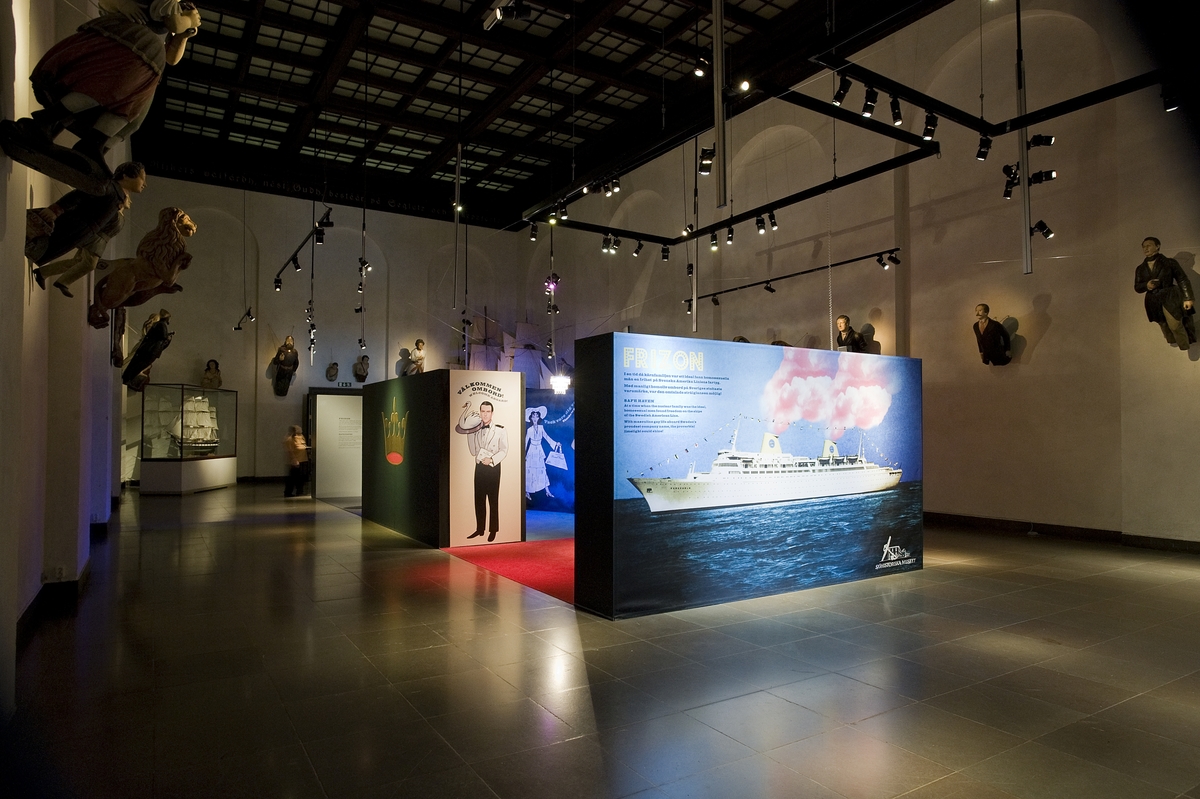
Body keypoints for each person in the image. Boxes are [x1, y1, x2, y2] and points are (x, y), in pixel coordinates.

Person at [0, 1, 201, 193]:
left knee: (131, 115)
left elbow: (171, 58)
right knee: (107, 88)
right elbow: (174, 22)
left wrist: (183, 36)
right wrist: (189, 19)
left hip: (150, 63)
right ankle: (45, 122)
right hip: (133, 42)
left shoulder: (177, 8)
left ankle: (93, 146)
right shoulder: (173, 5)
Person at [29, 162, 147, 297]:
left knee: (74, 259)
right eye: (142, 178)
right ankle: (59, 280)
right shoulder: (109, 188)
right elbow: (80, 194)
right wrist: (55, 209)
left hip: (85, 231)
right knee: (84, 261)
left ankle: (44, 273)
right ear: (126, 176)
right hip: (78, 226)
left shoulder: (119, 197)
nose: (145, 184)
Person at [457, 401, 507, 542]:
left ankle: (493, 530)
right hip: (479, 467)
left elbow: (504, 450)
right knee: (478, 499)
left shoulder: (500, 430)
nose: (485, 414)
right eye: (483, 411)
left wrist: (491, 459)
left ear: (492, 413)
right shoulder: (475, 429)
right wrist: (469, 432)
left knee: (493, 500)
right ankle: (480, 529)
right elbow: (473, 451)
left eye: (488, 411)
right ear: (480, 412)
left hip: (493, 467)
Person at [1135, 237, 1195, 350]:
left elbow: (1182, 279)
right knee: (1163, 324)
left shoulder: (1169, 262)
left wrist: (1188, 298)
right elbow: (1137, 287)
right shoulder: (1140, 268)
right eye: (1143, 246)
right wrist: (1147, 285)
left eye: (1149, 245)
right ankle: (1172, 341)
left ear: (1157, 246)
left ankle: (1184, 345)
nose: (1146, 248)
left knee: (1175, 324)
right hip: (1153, 300)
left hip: (1170, 297)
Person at [524, 407, 559, 501]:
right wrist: (523, 455)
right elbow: (526, 442)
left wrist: (555, 444)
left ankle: (547, 491)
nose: (535, 418)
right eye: (533, 416)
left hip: (539, 451)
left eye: (537, 416)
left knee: (542, 470)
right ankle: (527, 491)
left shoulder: (541, 428)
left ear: (539, 418)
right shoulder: (529, 430)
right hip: (531, 452)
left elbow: (547, 437)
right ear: (531, 418)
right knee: (529, 471)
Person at [283, 425, 309, 497]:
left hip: (303, 459)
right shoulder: (290, 439)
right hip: (296, 461)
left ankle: (299, 491)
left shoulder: (301, 437)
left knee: (301, 477)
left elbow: (303, 446)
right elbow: (290, 450)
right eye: (298, 429)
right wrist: (294, 459)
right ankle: (288, 492)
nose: (300, 429)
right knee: (293, 477)